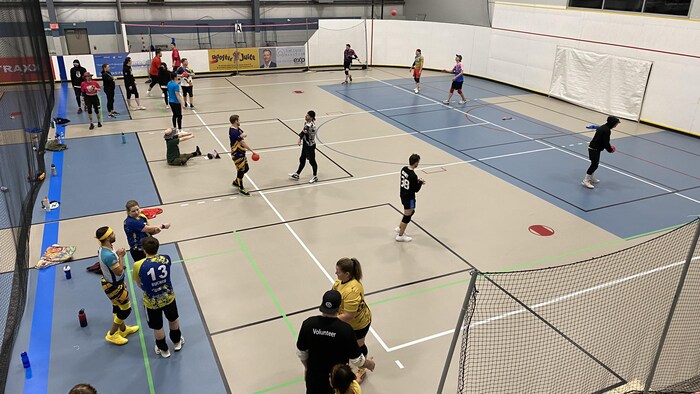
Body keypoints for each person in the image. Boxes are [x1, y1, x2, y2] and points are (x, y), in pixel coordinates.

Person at [296, 290, 376, 394]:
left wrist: (308, 368)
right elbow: (357, 360)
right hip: (339, 382)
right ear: (339, 307)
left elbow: (301, 353)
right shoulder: (345, 330)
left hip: (314, 380)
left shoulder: (308, 324)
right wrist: (370, 364)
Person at [133, 236, 184, 359]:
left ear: (144, 250)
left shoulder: (138, 264)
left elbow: (139, 283)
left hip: (151, 302)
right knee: (173, 320)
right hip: (168, 297)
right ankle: (177, 342)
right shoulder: (166, 258)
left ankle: (163, 349)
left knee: (157, 327)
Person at [95, 226, 139, 346]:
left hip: (111, 282)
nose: (114, 234)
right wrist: (121, 256)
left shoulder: (105, 249)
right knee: (125, 309)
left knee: (117, 306)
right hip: (114, 285)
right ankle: (112, 334)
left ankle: (123, 330)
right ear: (108, 237)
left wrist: (119, 263)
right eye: (112, 233)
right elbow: (119, 271)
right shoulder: (108, 255)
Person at [333, 257, 372, 383]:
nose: (336, 273)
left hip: (359, 324)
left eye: (338, 271)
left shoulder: (352, 291)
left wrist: (330, 319)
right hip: (347, 322)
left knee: (359, 345)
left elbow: (349, 315)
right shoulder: (339, 283)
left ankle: (363, 367)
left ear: (347, 274)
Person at [582, 116, 619, 189]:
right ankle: (586, 180)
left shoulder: (604, 127)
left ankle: (591, 177)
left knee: (595, 164)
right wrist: (610, 150)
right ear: (612, 123)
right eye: (616, 124)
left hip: (596, 148)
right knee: (594, 165)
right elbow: (606, 142)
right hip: (594, 149)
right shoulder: (606, 130)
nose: (616, 125)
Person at [396, 153, 425, 242]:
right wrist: (420, 183)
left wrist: (416, 181)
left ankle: (400, 227)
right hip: (409, 197)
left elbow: (409, 180)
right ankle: (400, 235)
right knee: (408, 216)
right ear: (416, 163)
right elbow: (416, 189)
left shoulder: (403, 169)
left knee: (408, 212)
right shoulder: (413, 175)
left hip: (403, 194)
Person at [229, 114, 257, 196]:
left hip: (242, 153)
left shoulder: (236, 129)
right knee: (241, 171)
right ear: (235, 121)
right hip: (237, 154)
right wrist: (252, 151)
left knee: (246, 168)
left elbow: (244, 133)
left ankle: (236, 182)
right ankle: (241, 187)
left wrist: (241, 135)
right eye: (239, 120)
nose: (240, 121)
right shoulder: (233, 131)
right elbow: (243, 142)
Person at [289, 110, 318, 184]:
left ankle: (315, 176)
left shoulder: (310, 125)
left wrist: (299, 139)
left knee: (312, 161)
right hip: (305, 144)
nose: (306, 116)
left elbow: (303, 132)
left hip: (310, 146)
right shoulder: (306, 123)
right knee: (302, 159)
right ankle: (297, 174)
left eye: (308, 115)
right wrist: (301, 139)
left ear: (311, 118)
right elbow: (303, 131)